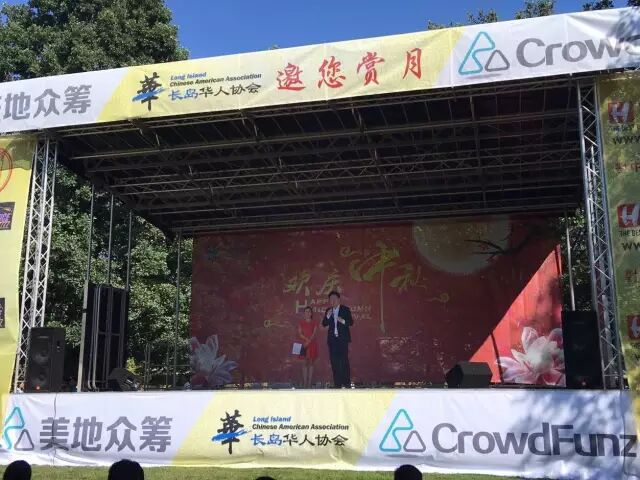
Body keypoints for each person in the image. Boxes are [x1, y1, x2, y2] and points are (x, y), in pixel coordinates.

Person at [322, 290, 353, 388]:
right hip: (332, 340)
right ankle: (337, 384)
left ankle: (346, 383)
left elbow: (350, 322)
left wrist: (341, 320)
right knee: (334, 362)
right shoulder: (328, 310)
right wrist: (327, 316)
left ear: (339, 299)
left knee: (344, 361)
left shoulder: (345, 309)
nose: (332, 300)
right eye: (331, 299)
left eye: (334, 298)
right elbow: (324, 324)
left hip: (342, 339)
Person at [298, 306, 318, 388]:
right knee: (304, 363)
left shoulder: (314, 322)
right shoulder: (301, 322)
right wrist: (306, 340)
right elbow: (300, 333)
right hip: (303, 344)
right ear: (304, 313)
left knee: (311, 363)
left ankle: (309, 383)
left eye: (309, 311)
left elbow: (314, 333)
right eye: (306, 311)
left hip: (312, 344)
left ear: (311, 313)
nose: (308, 313)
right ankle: (305, 382)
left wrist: (309, 341)